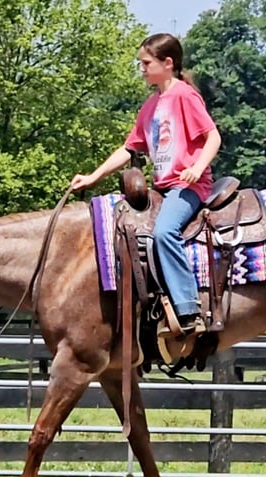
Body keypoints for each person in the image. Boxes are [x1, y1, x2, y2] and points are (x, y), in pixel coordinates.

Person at [71, 33, 221, 337]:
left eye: (146, 63)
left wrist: (196, 167)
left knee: (165, 232)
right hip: (163, 187)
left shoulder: (184, 96)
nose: (141, 69)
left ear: (168, 63)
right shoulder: (151, 105)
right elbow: (129, 149)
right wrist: (93, 177)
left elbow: (213, 137)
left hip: (188, 186)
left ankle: (189, 309)